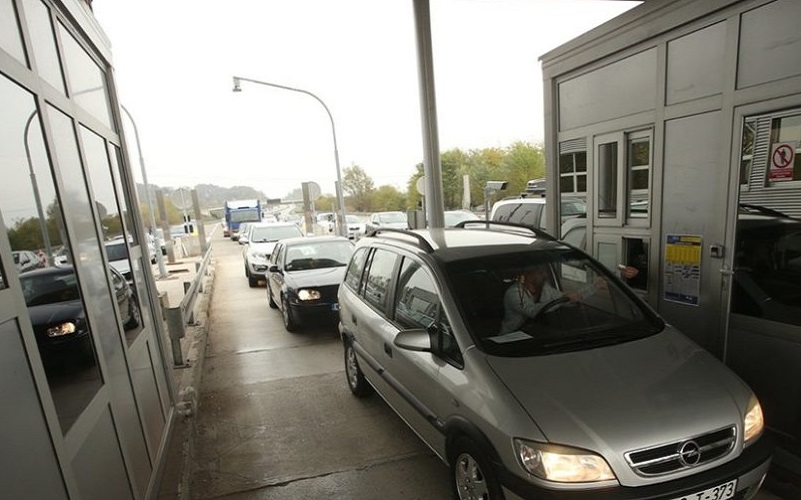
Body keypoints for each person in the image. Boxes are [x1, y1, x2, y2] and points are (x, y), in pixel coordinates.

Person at [499, 264, 606, 335]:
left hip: (538, 335)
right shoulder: (514, 293)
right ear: (529, 275)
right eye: (540, 273)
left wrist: (595, 287)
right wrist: (563, 299)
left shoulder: (545, 288)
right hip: (513, 337)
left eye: (545, 272)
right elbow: (532, 311)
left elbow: (564, 298)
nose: (545, 276)